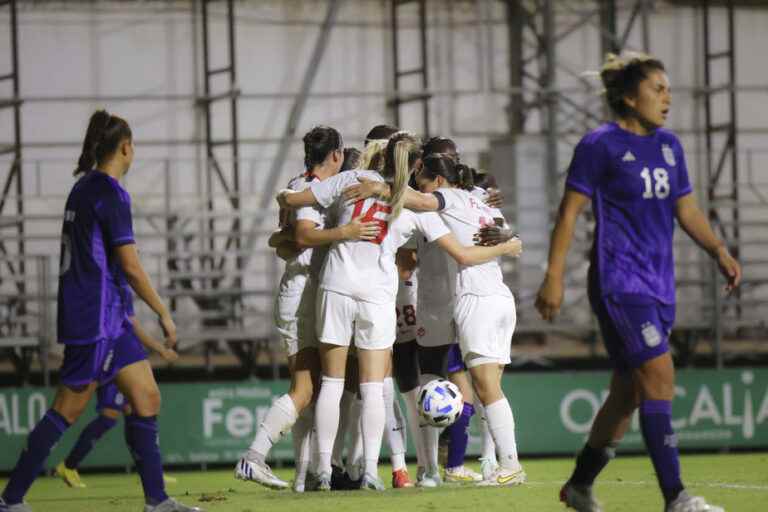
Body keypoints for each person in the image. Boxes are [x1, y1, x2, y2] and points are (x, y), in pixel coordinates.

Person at [534, 52, 741, 512]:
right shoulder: (599, 145)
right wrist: (553, 276)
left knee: (627, 393)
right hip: (619, 280)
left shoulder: (669, 146)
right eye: (658, 89)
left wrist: (719, 251)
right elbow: (569, 214)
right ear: (629, 97)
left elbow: (686, 209)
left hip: (658, 284)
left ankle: (580, 486)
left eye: (668, 89)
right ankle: (677, 498)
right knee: (659, 373)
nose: (667, 98)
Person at [277, 131, 522, 491]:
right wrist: (509, 244)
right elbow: (480, 242)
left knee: (334, 385)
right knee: (380, 389)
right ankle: (387, 472)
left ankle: (324, 471)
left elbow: (295, 204)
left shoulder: (355, 180)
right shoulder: (471, 201)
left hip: (342, 288)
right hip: (400, 297)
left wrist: (285, 197)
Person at [0, 110, 200, 512]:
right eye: (133, 145)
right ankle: (11, 499)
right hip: (94, 317)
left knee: (146, 397)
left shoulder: (82, 189)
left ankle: (157, 501)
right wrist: (163, 312)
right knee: (67, 408)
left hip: (108, 317)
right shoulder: (111, 194)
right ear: (125, 147)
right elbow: (129, 265)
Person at [235, 126, 379, 492]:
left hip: (313, 292)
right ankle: (255, 456)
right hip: (301, 296)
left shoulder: (304, 187)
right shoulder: (308, 188)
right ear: (336, 154)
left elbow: (284, 241)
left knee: (315, 387)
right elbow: (301, 237)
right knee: (306, 387)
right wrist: (343, 234)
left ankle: (307, 473)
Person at [400, 154, 527, 487]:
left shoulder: (450, 198)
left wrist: (386, 185)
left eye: (424, 180)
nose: (422, 188)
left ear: (439, 182)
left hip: (477, 301)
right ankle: (504, 462)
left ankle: (510, 465)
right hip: (501, 298)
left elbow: (419, 200)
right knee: (491, 389)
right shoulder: (481, 204)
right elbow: (512, 237)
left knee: (486, 389)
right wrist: (507, 244)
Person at [55, 289, 179, 488]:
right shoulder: (114, 283)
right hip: (112, 358)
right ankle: (69, 465)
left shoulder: (114, 283)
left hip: (116, 355)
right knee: (108, 416)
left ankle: (149, 471)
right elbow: (133, 325)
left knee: (135, 412)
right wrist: (160, 348)